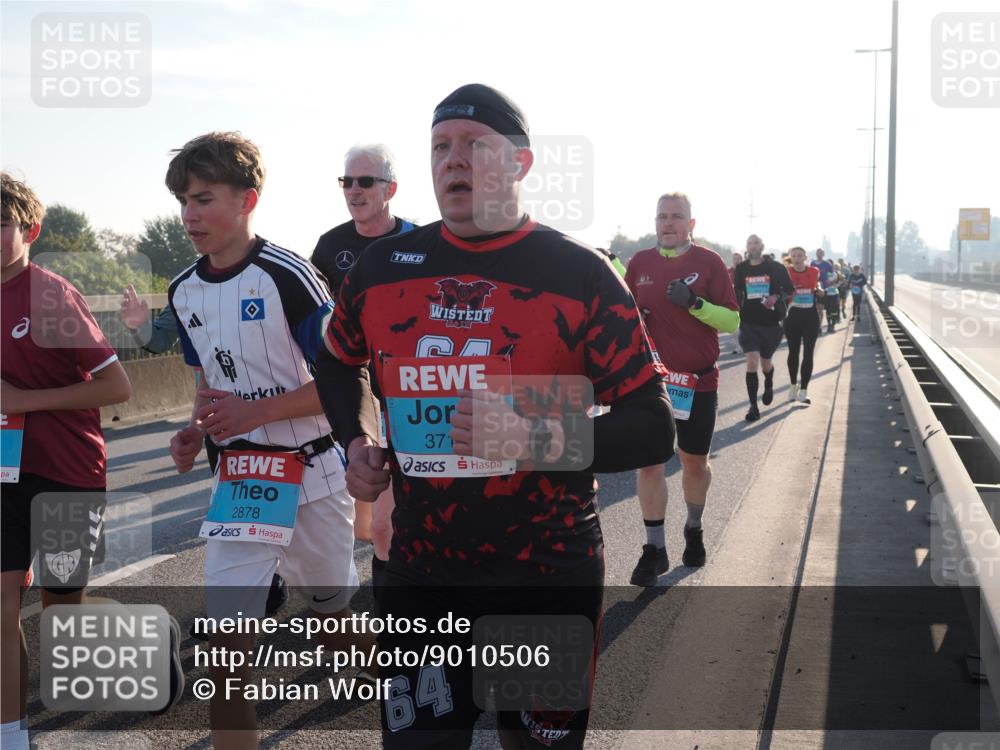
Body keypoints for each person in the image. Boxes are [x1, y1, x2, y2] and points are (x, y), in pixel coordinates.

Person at [316, 83, 674, 750]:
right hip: (420, 571)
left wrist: (535, 438)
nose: (453, 160)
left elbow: (653, 424)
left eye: (474, 145)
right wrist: (356, 439)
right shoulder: (381, 267)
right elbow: (337, 361)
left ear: (520, 164)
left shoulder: (580, 272)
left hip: (545, 572)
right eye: (440, 147)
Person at [163, 132, 373, 750]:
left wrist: (255, 412)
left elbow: (342, 381)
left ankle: (383, 673)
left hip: (313, 475)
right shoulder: (184, 290)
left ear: (248, 199)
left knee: (332, 612)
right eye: (183, 200)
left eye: (203, 198)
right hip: (244, 484)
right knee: (228, 648)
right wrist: (192, 428)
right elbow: (208, 379)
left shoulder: (289, 277)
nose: (189, 214)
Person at [1, 172, 181, 750]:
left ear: (31, 229)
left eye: (1, 223)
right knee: (2, 599)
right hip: (3, 474)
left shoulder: (49, 294)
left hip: (67, 471)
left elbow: (118, 387)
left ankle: (148, 650)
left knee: (61, 615)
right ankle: (10, 733)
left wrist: (25, 401)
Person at [311, 144, 417, 590]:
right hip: (356, 400)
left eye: (365, 182)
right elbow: (311, 326)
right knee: (370, 526)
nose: (353, 190)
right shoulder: (330, 246)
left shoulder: (419, 241)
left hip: (409, 398)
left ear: (390, 189)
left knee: (387, 526)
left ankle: (399, 630)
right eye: (346, 181)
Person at [625, 193, 739, 583]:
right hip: (652, 384)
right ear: (654, 222)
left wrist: (695, 303)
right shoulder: (639, 263)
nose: (668, 223)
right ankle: (654, 548)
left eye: (676, 217)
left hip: (697, 382)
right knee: (650, 462)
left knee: (693, 463)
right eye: (662, 216)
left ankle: (694, 527)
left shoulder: (709, 262)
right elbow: (625, 312)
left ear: (691, 224)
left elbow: (732, 322)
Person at [733, 234, 794, 421]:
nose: (753, 246)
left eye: (756, 243)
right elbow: (736, 293)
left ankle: (768, 381)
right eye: (750, 243)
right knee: (752, 361)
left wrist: (776, 297)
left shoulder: (775, 268)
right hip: (748, 323)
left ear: (762, 246)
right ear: (747, 247)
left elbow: (790, 289)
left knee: (766, 363)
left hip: (771, 324)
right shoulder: (741, 269)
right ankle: (753, 406)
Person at [784, 246, 822, 404]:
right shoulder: (786, 272)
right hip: (792, 316)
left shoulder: (814, 271)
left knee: (808, 353)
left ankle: (804, 391)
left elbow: (816, 285)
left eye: (800, 255)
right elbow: (781, 290)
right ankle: (793, 386)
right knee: (793, 352)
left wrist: (820, 290)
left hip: (810, 316)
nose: (797, 258)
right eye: (794, 256)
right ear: (791, 258)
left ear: (805, 257)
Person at [810, 248, 835, 332]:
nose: (819, 254)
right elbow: (809, 274)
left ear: (823, 254)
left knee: (820, 309)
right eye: (818, 253)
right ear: (816, 254)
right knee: (814, 309)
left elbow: (833, 274)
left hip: (823, 289)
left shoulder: (827, 264)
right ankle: (815, 325)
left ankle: (819, 327)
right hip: (814, 288)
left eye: (821, 253)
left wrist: (829, 280)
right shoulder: (812, 263)